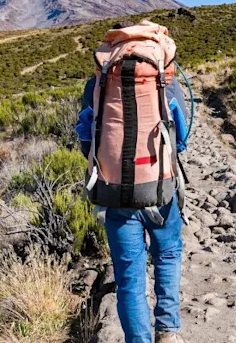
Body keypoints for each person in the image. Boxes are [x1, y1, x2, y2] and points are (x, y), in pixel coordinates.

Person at [76, 21, 189, 343]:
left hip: (115, 192)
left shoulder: (97, 84)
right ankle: (167, 331)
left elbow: (86, 137)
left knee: (129, 278)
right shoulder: (164, 80)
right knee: (168, 254)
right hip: (160, 187)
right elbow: (181, 138)